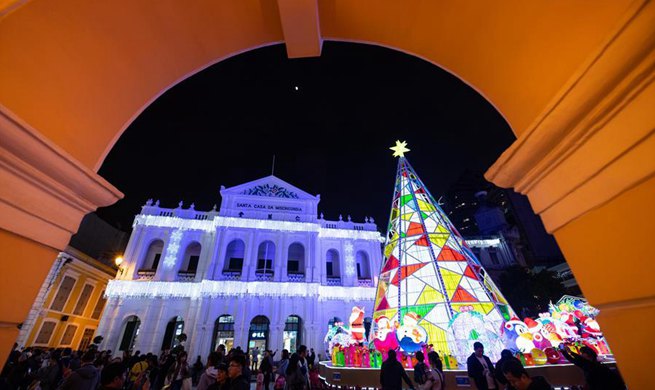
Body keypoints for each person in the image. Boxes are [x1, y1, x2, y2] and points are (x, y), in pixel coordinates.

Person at [560, 345, 625, 390]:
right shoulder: (591, 365)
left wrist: (568, 352)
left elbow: (577, 360)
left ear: (589, 357)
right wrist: (567, 352)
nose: (582, 357)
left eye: (583, 356)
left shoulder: (591, 366)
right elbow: (576, 359)